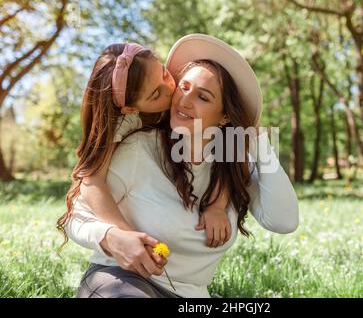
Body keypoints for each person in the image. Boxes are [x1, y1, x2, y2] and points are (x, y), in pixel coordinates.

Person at [63, 34, 299, 298]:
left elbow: (284, 221)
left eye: (203, 97)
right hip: (121, 283)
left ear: (224, 116)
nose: (183, 100)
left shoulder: (232, 165)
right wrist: (112, 236)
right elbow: (77, 213)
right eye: (184, 87)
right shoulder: (139, 148)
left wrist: (255, 137)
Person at [57, 42, 234, 279]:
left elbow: (229, 156)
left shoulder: (189, 104)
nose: (171, 90)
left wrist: (217, 205)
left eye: (163, 73)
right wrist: (124, 234)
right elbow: (91, 180)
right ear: (131, 109)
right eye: (156, 94)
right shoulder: (126, 126)